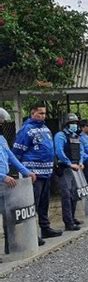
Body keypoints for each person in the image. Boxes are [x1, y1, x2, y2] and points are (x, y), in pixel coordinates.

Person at [13, 103, 62, 243]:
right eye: (40, 113)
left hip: (47, 172)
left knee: (44, 203)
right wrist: (22, 171)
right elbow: (17, 152)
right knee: (32, 204)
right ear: (32, 113)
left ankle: (45, 228)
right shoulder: (26, 130)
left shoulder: (45, 128)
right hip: (34, 173)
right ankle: (31, 234)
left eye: (44, 113)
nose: (43, 116)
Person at [0, 108, 37, 255]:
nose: (1, 125)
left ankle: (12, 246)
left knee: (9, 215)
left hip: (4, 185)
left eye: (2, 123)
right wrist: (2, 176)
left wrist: (26, 172)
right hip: (3, 180)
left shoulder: (2, 139)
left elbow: (11, 157)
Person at [54, 113, 87, 231]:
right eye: (71, 123)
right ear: (66, 124)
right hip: (65, 168)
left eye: (75, 123)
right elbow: (59, 151)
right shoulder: (60, 136)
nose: (74, 125)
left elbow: (80, 151)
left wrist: (81, 162)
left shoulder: (76, 136)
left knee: (74, 194)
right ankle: (68, 222)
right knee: (66, 195)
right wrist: (69, 163)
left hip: (76, 168)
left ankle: (72, 218)